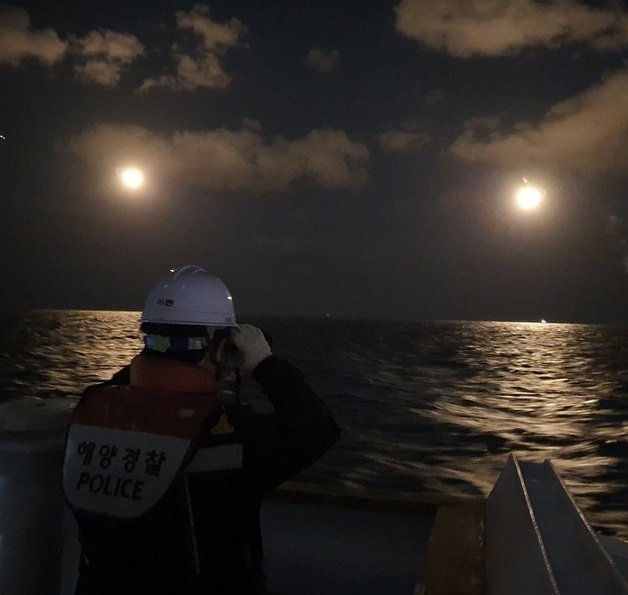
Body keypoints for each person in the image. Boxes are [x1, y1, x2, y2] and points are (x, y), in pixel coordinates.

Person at [63, 265, 341, 595]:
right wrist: (263, 362)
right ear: (221, 349)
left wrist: (161, 350)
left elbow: (134, 377)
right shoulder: (232, 434)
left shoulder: (93, 408)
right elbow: (320, 427)